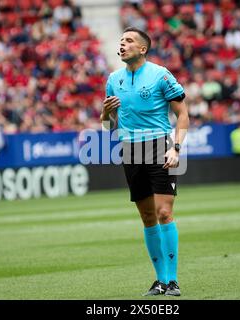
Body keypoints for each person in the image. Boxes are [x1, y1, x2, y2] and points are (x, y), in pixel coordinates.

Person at [101, 27, 189, 296]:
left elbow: (183, 114)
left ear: (143, 49)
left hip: (159, 145)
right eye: (121, 41)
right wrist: (105, 113)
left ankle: (172, 280)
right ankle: (160, 280)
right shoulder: (113, 80)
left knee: (164, 212)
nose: (123, 44)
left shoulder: (161, 75)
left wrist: (176, 148)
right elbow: (107, 127)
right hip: (130, 149)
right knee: (147, 216)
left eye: (129, 41)